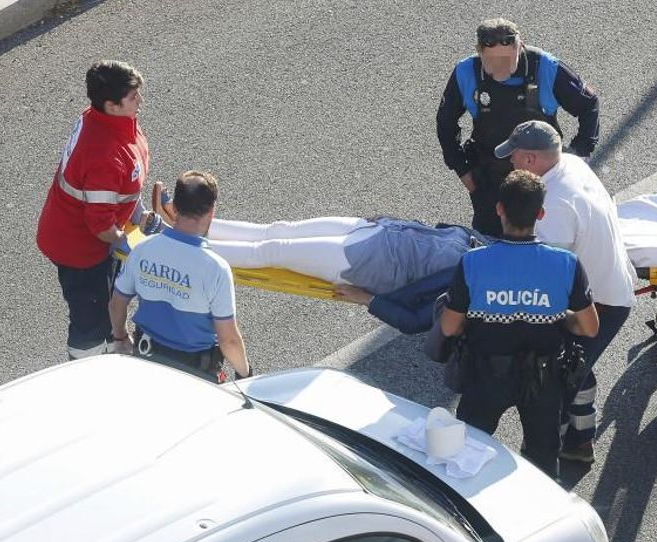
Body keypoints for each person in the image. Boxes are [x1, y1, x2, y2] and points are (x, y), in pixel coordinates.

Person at [146, 182, 491, 334]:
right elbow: (431, 231)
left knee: (273, 251)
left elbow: (416, 321)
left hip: (368, 263)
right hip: (374, 232)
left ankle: (177, 238)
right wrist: (384, 220)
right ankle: (187, 219)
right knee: (278, 229)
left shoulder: (474, 281)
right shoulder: (485, 243)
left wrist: (367, 299)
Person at [440, 170, 600, 478]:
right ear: (540, 213)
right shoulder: (566, 264)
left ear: (499, 209)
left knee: (466, 454)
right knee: (543, 463)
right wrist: (556, 316)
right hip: (543, 379)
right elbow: (589, 327)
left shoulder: (473, 262)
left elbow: (449, 327)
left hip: (485, 376)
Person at [497, 120, 636, 464]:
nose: (510, 161)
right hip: (610, 287)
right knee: (578, 363)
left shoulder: (555, 206)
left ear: (531, 159)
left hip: (597, 305)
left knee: (554, 383)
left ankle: (544, 455)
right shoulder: (571, 164)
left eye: (514, 156)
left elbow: (549, 277)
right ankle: (580, 441)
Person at [436, 18, 600, 236]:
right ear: (479, 52)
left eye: (505, 60)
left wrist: (577, 157)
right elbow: (445, 123)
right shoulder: (465, 72)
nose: (499, 67)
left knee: (551, 242)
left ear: (520, 47)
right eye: (492, 61)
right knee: (489, 242)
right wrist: (462, 169)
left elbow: (589, 105)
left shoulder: (546, 68)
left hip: (543, 181)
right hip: (491, 179)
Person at [37, 60, 150, 360]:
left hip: (82, 237)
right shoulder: (104, 156)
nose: (140, 100)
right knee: (90, 320)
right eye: (133, 97)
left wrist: (137, 213)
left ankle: (112, 347)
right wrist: (127, 243)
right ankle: (84, 366)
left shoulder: (106, 121)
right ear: (111, 105)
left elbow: (123, 184)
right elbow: (100, 225)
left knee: (108, 300)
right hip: (81, 251)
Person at [109, 171, 251, 381]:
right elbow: (229, 340)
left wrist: (120, 337)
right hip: (195, 375)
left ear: (175, 207)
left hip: (146, 363)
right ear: (212, 211)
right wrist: (246, 374)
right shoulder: (216, 269)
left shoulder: (142, 250)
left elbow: (117, 303)